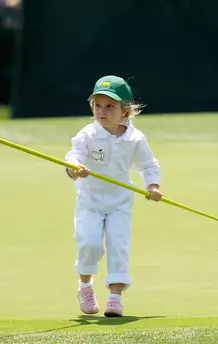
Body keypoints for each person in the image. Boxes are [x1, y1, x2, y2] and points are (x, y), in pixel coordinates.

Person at [64, 76, 164, 317]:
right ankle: (85, 285)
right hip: (90, 202)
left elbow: (148, 164)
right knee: (89, 243)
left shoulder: (135, 138)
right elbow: (72, 157)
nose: (102, 111)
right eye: (97, 105)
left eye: (110, 106)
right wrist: (75, 168)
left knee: (118, 246)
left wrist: (152, 185)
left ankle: (115, 297)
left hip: (119, 202)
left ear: (125, 111)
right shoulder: (87, 134)